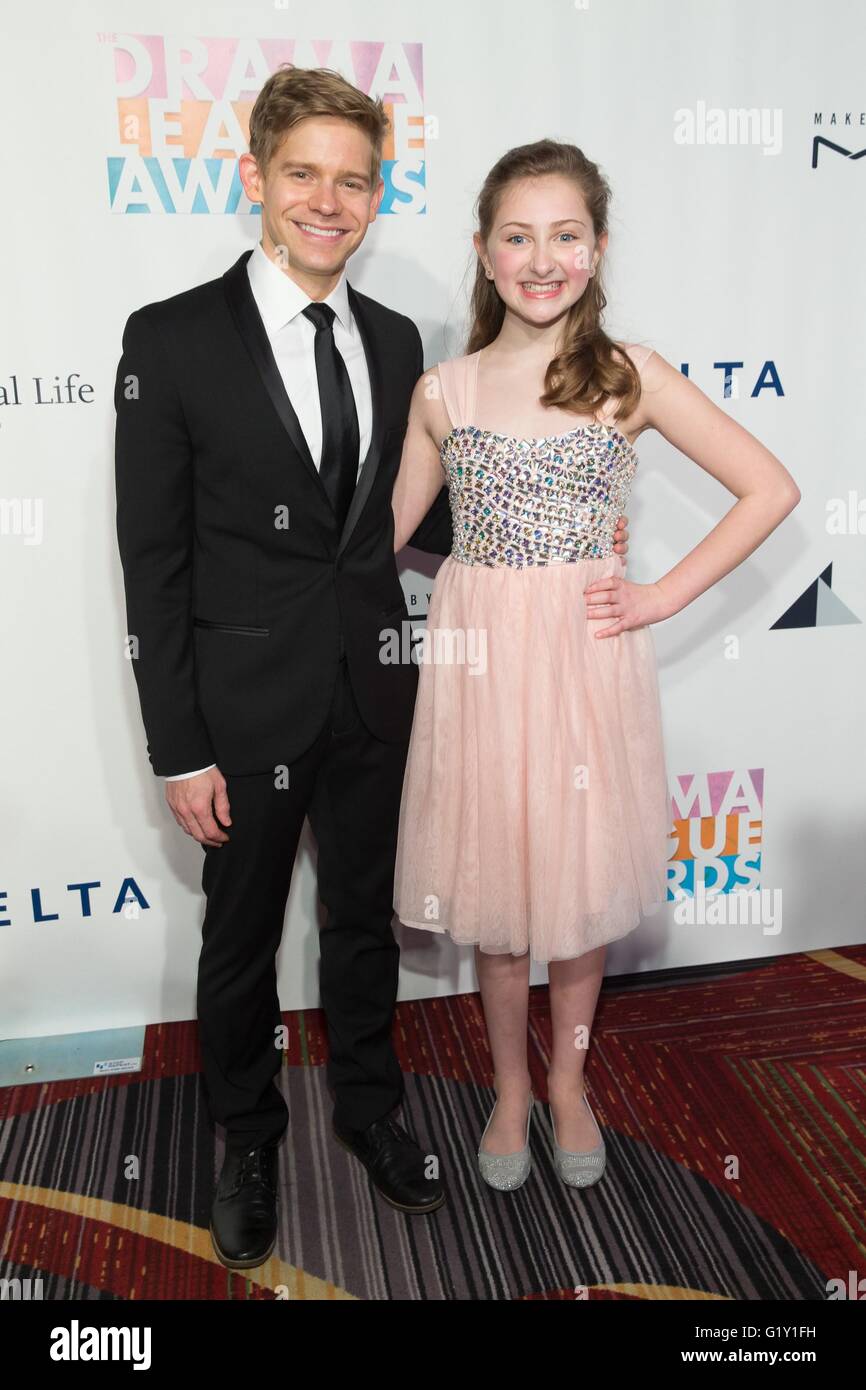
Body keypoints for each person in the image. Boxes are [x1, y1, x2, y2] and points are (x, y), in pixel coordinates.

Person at [114, 65, 634, 1266]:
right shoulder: (172, 338)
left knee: (361, 924)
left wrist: (558, 523)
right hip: (240, 707)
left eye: (352, 179)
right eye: (302, 172)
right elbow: (153, 565)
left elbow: (414, 515)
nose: (327, 199)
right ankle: (243, 1136)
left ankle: (370, 1108)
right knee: (239, 938)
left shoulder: (403, 342)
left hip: (378, 690)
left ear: (376, 195)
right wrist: (178, 743)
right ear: (255, 177)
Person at [391, 139, 800, 1193]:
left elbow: (768, 488)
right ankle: (510, 1091)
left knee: (570, 891)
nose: (540, 259)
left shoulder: (629, 375)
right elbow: (382, 535)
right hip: (480, 660)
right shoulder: (442, 388)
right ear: (482, 253)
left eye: (563, 236)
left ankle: (567, 1082)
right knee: (494, 895)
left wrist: (660, 595)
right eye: (516, 237)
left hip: (582, 660)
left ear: (597, 247)